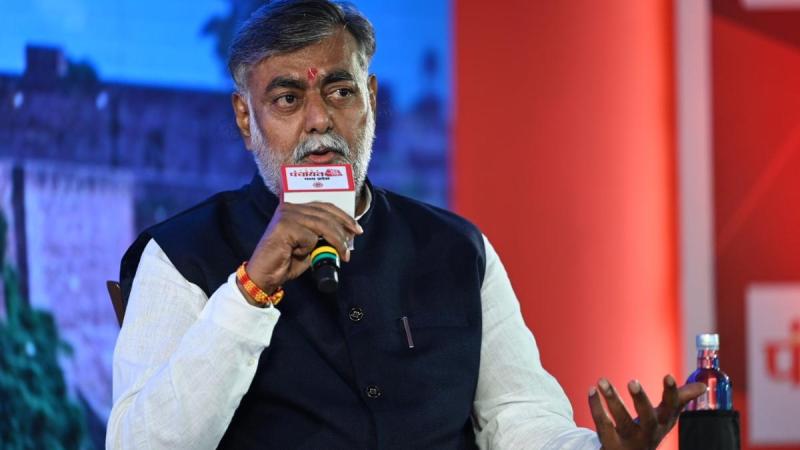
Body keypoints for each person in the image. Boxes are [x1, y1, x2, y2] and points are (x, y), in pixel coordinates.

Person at [107, 1, 704, 448]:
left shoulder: (456, 249)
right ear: (245, 118)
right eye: (287, 99)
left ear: (370, 98)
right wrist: (249, 292)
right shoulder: (181, 254)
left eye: (340, 91)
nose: (319, 121)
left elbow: (518, 418)